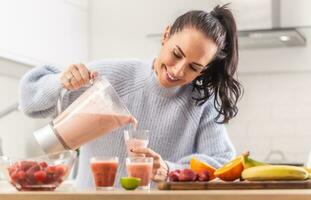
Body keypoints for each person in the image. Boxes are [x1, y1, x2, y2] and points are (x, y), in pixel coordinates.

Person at [19, 4, 242, 188]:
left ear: (204, 69)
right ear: (166, 35)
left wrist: (169, 169)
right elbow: (29, 102)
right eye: (176, 54)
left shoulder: (201, 103)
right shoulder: (108, 77)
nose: (178, 71)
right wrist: (60, 82)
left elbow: (222, 163)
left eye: (193, 67)